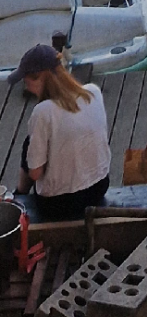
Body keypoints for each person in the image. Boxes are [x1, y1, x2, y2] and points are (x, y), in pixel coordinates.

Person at [13, 43, 110, 221]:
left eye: (28, 82)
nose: (27, 89)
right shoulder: (93, 92)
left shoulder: (43, 112)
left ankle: (18, 196)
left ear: (40, 79)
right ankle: (19, 194)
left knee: (29, 145)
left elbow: (35, 174)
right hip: (99, 187)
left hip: (61, 203)